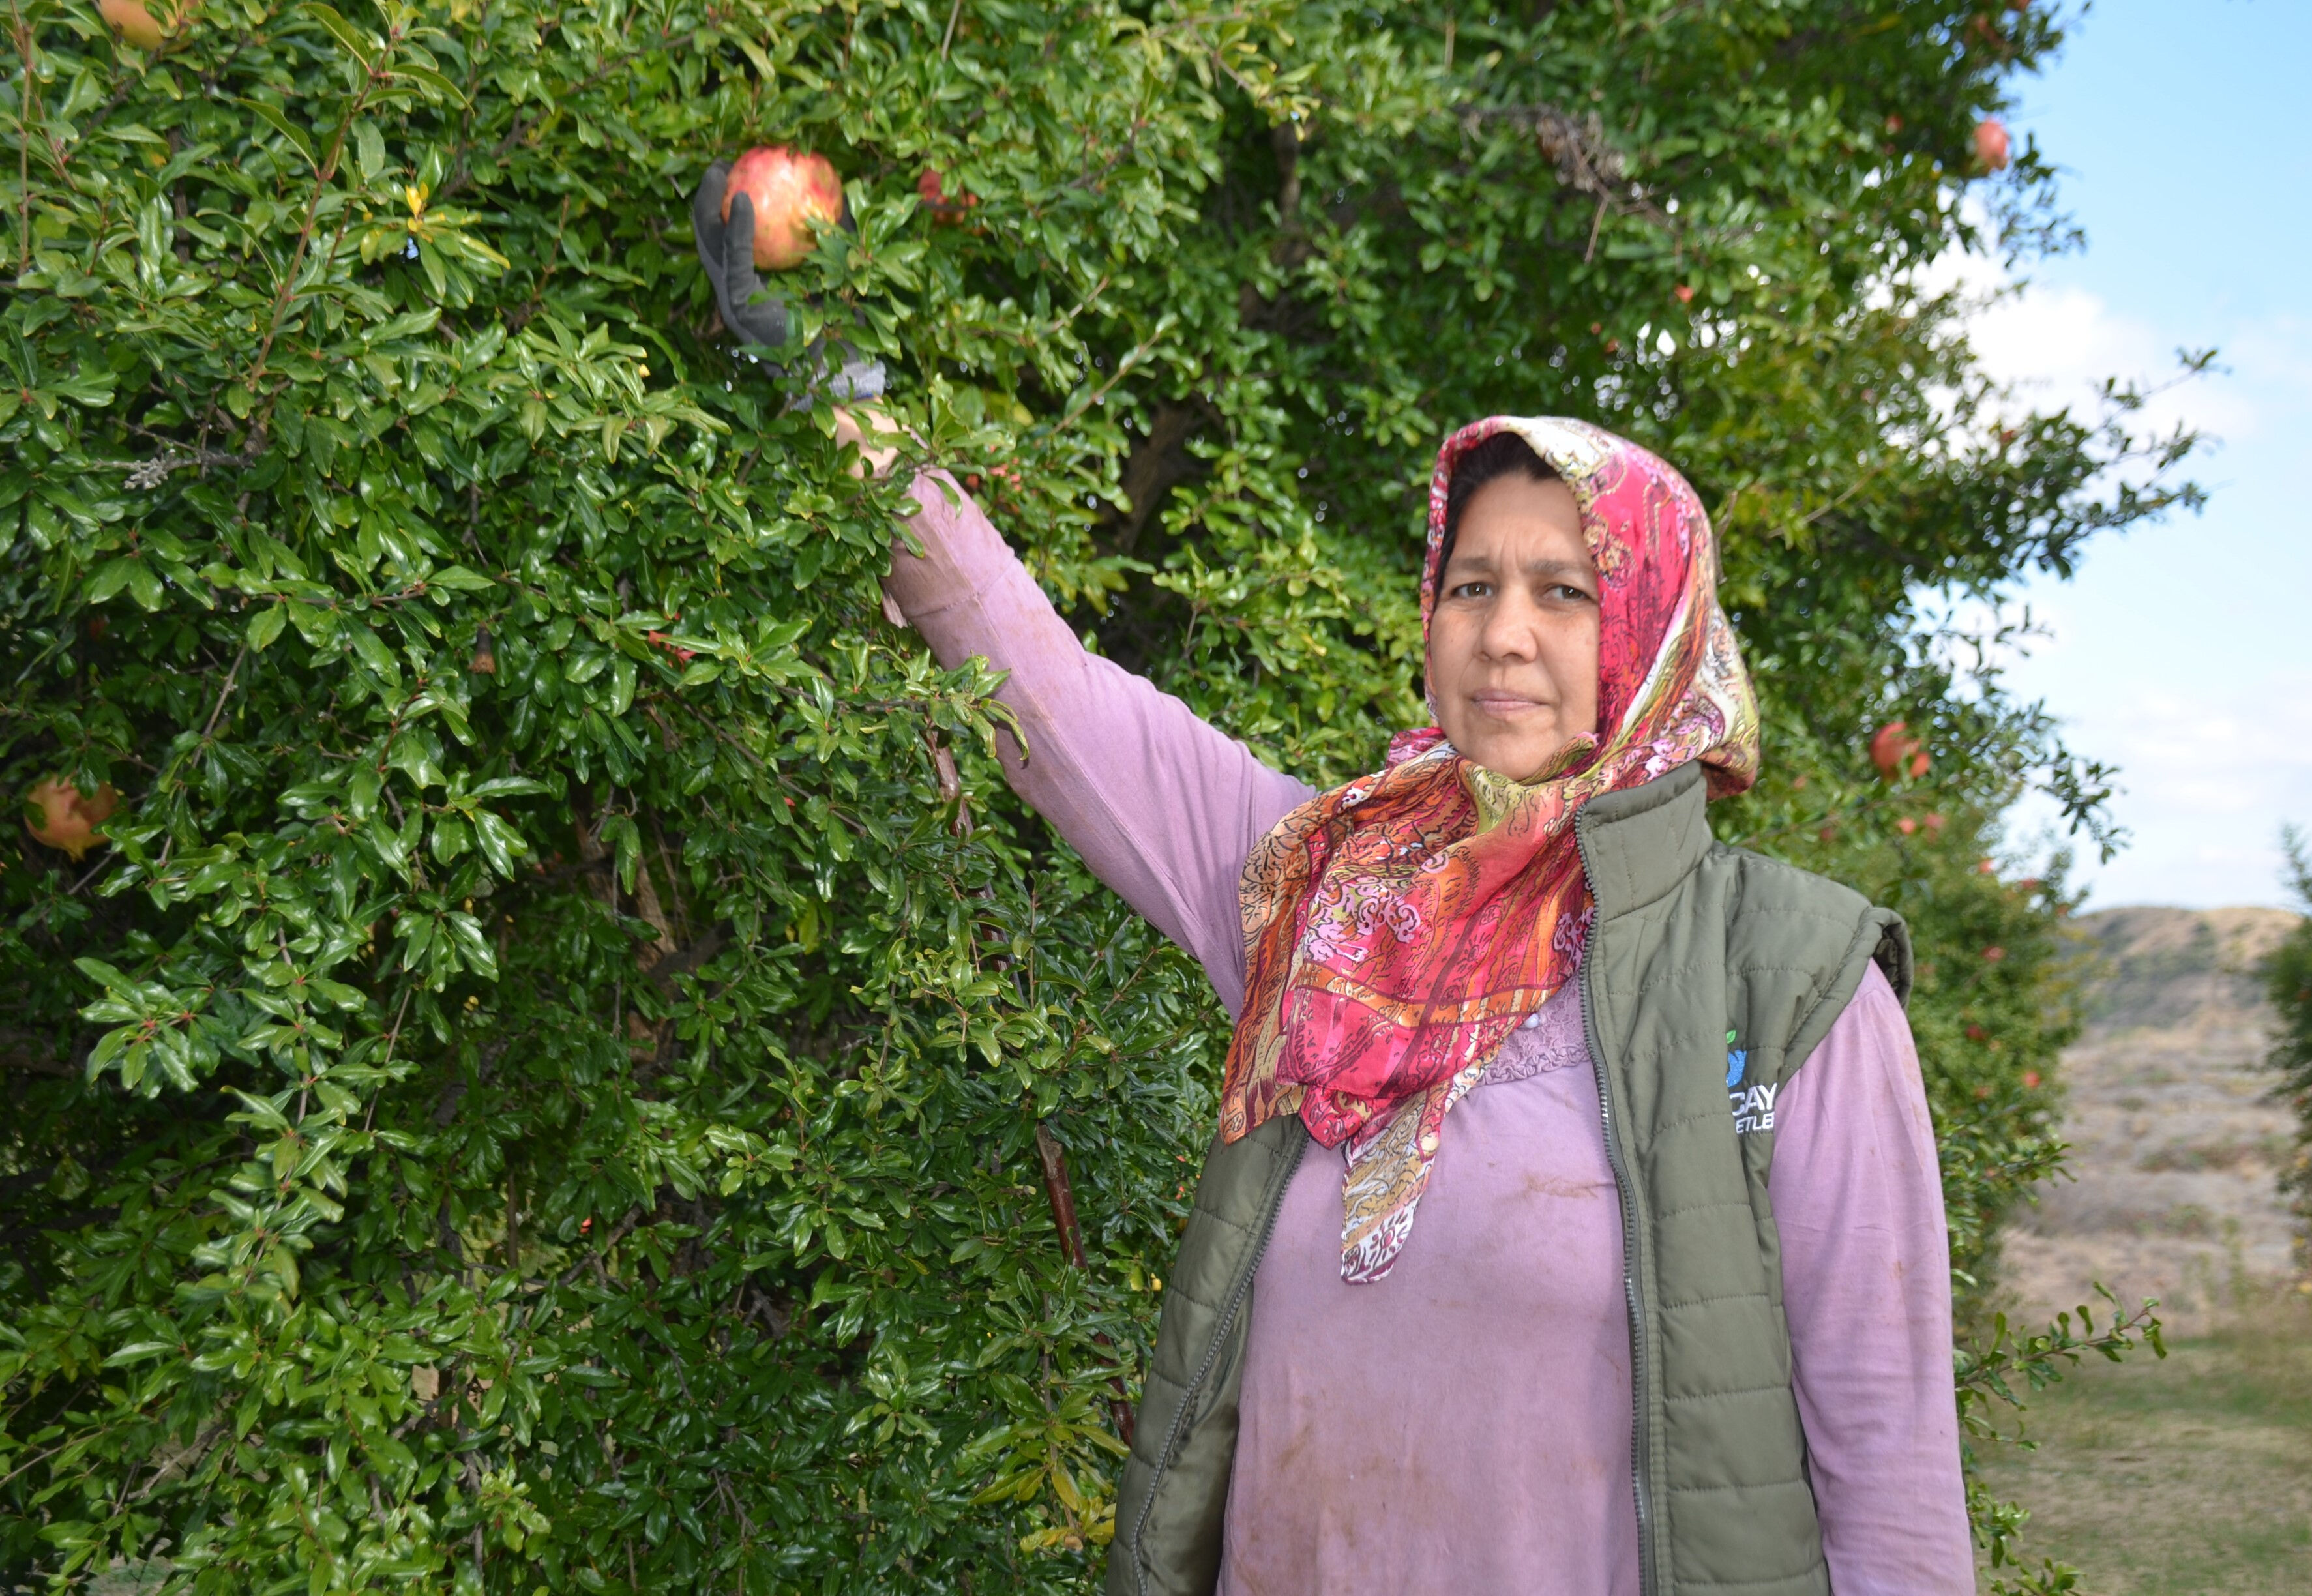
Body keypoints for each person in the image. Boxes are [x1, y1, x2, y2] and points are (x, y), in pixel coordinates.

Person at [694, 194, 1974, 1596]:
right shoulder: (1323, 898)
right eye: (1471, 582)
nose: (1502, 634)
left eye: (1566, 590)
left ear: (1656, 631)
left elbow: (1895, 1500)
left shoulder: (1788, 986)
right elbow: (1048, 703)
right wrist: (838, 391)